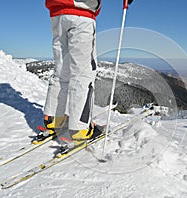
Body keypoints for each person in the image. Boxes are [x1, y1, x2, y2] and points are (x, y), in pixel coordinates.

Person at [43, 0, 133, 153]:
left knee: (61, 71)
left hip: (57, 13)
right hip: (81, 13)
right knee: (83, 74)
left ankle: (53, 121)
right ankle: (80, 129)